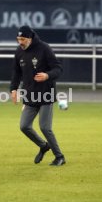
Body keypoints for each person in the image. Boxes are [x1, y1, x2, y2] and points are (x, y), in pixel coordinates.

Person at [10, 25, 66, 166]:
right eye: (18, 39)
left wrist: (47, 75)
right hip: (30, 96)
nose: (20, 42)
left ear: (29, 38)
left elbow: (58, 68)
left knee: (45, 127)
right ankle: (43, 146)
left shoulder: (44, 48)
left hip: (46, 95)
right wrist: (13, 89)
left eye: (22, 39)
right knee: (24, 126)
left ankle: (59, 157)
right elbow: (16, 73)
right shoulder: (19, 52)